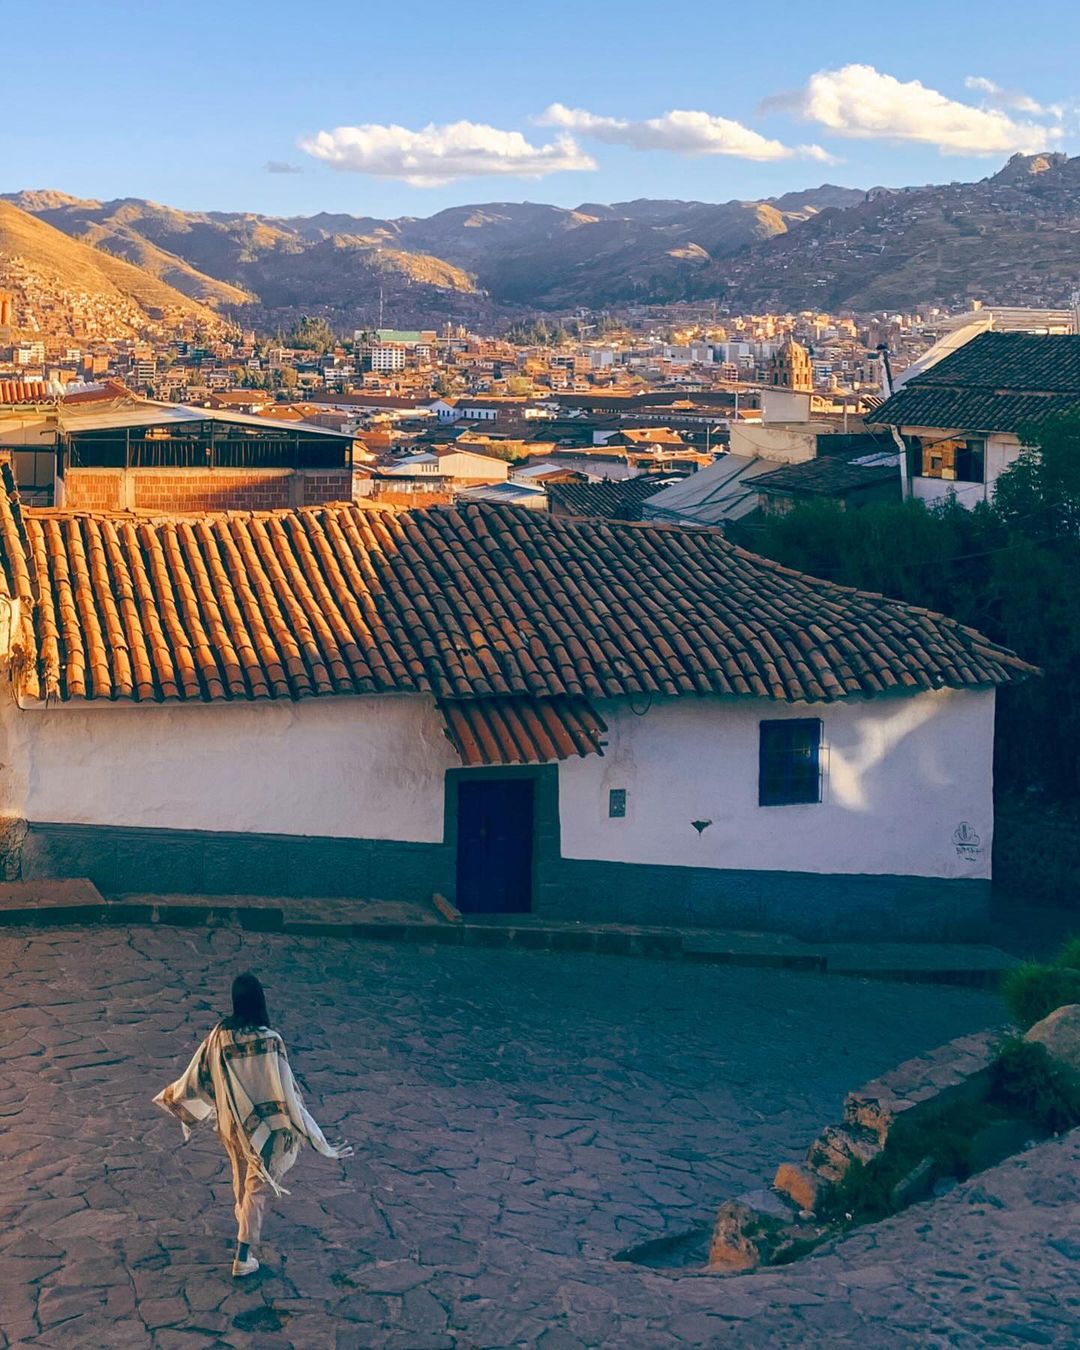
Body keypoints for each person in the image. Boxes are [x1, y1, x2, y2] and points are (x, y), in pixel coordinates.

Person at [154, 972, 352, 1277]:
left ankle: (243, 1232)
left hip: (232, 1124)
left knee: (243, 1178)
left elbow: (200, 1072)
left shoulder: (220, 1035)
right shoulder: (270, 1041)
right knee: (256, 1188)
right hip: (266, 1129)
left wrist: (177, 1097)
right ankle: (243, 1255)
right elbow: (283, 1085)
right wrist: (301, 1123)